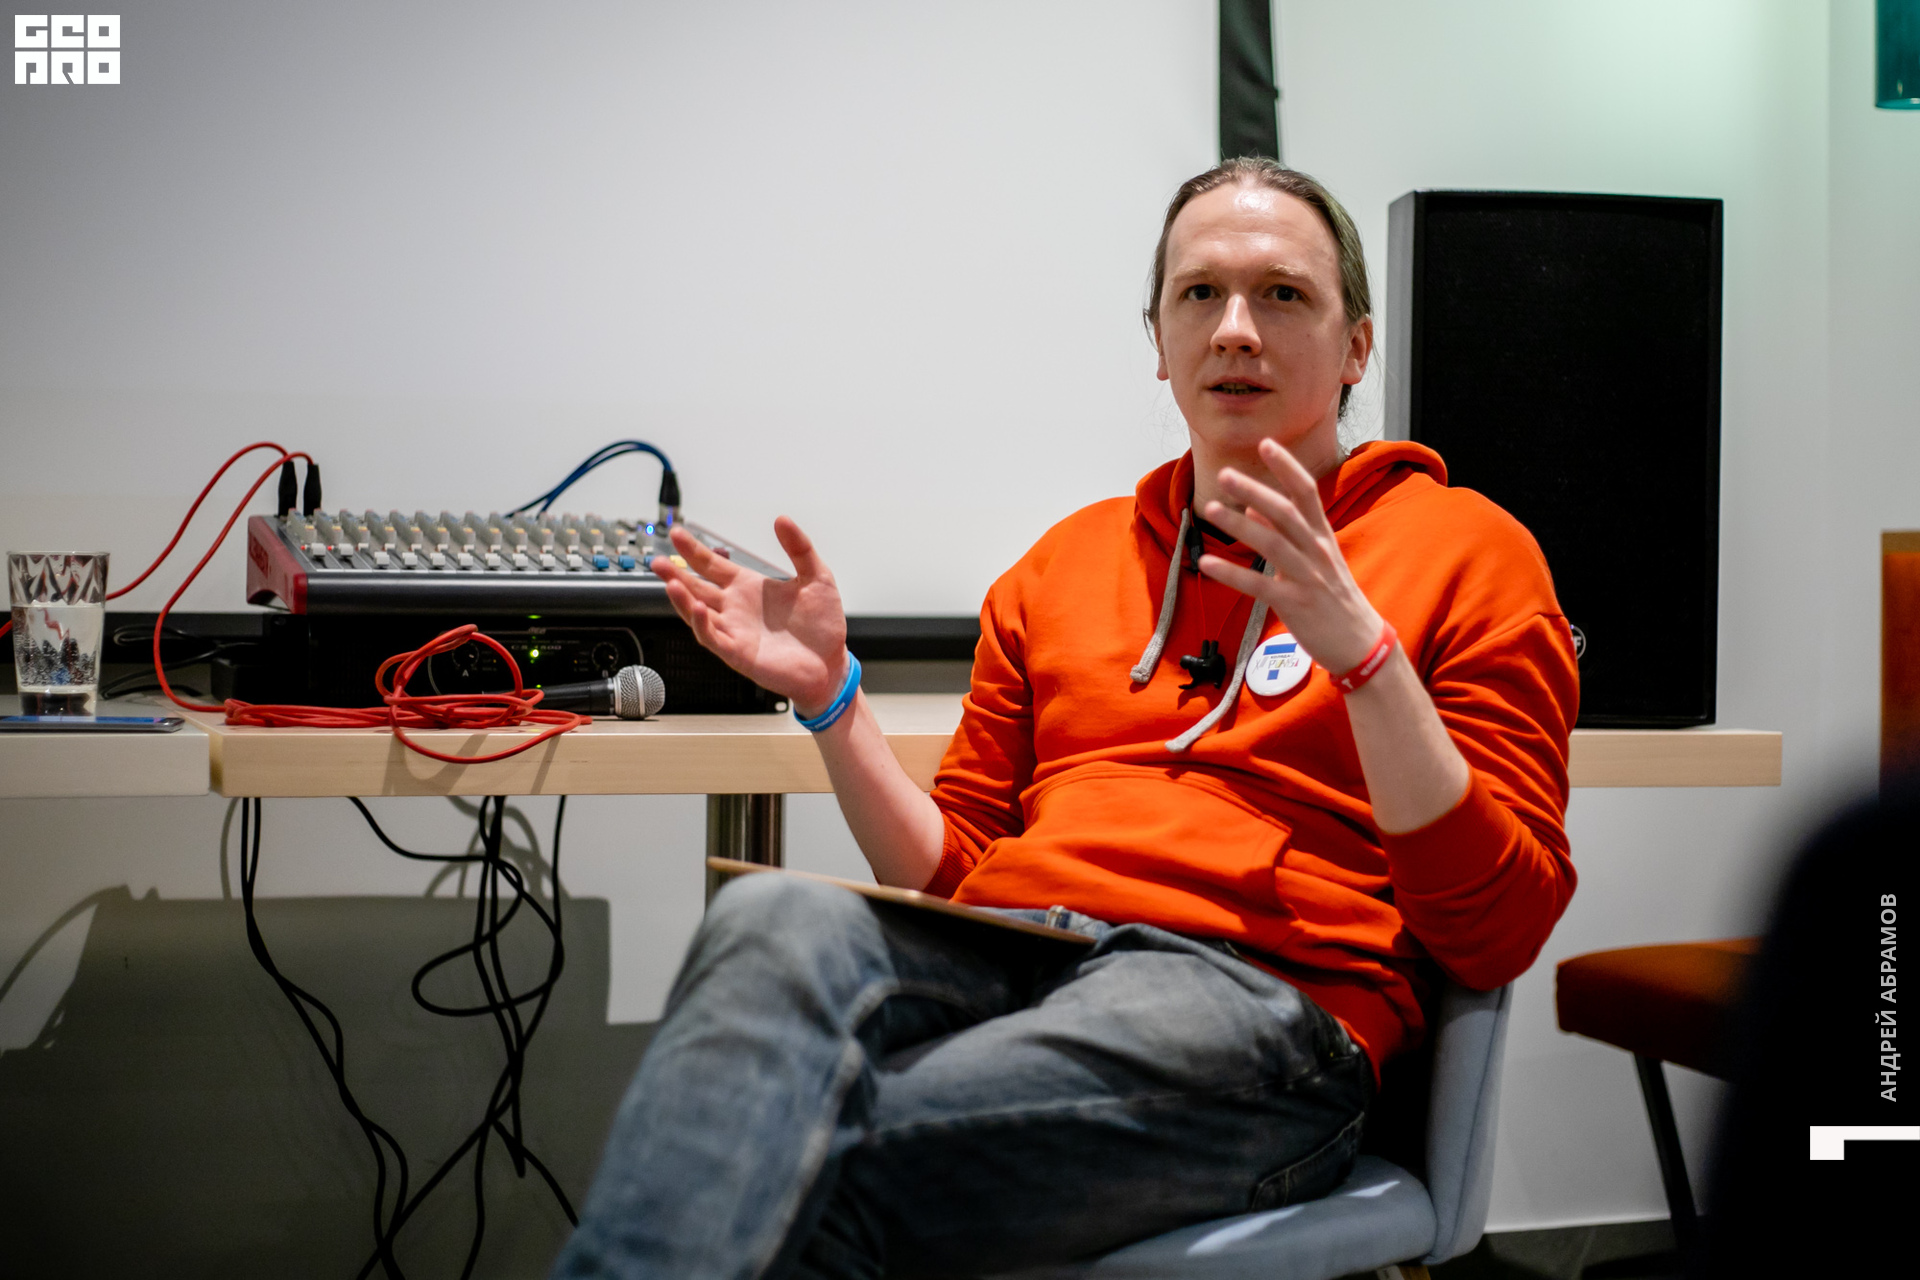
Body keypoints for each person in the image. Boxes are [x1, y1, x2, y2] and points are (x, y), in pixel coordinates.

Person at [552, 160, 1579, 1279]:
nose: (1235, 328)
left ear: (1357, 348)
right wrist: (831, 700)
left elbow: (1498, 932)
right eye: (1199, 294)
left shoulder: (1470, 552)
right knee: (769, 918)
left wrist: (1368, 661)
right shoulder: (1062, 564)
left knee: (773, 1160)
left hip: (1254, 1002)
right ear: (1159, 342)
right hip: (1022, 951)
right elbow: (955, 872)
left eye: (1282, 294)